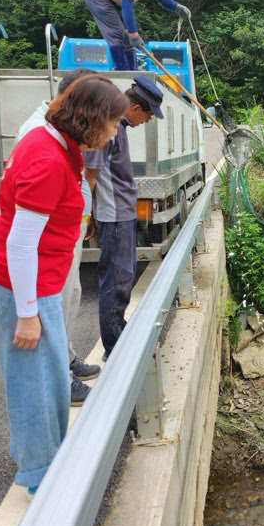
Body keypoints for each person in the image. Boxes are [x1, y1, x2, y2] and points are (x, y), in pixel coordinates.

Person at [0, 76, 129, 499]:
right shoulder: (47, 157)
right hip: (23, 289)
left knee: (46, 379)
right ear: (92, 118)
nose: (116, 132)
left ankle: (42, 460)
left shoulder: (57, 143)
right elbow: (21, 242)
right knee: (37, 387)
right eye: (114, 123)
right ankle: (42, 483)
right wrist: (27, 315)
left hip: (35, 284)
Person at [16, 69, 101, 406]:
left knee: (72, 294)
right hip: (52, 242)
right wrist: (25, 312)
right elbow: (22, 234)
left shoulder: (59, 134)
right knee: (56, 301)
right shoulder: (38, 136)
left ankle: (65, 360)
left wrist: (85, 214)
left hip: (69, 232)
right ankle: (59, 379)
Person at [84, 76, 164, 360]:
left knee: (125, 273)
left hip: (120, 213)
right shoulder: (109, 127)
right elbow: (91, 174)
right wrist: (87, 213)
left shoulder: (119, 127)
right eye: (149, 114)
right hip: (115, 215)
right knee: (116, 280)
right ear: (137, 107)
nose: (148, 121)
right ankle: (114, 344)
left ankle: (118, 329)